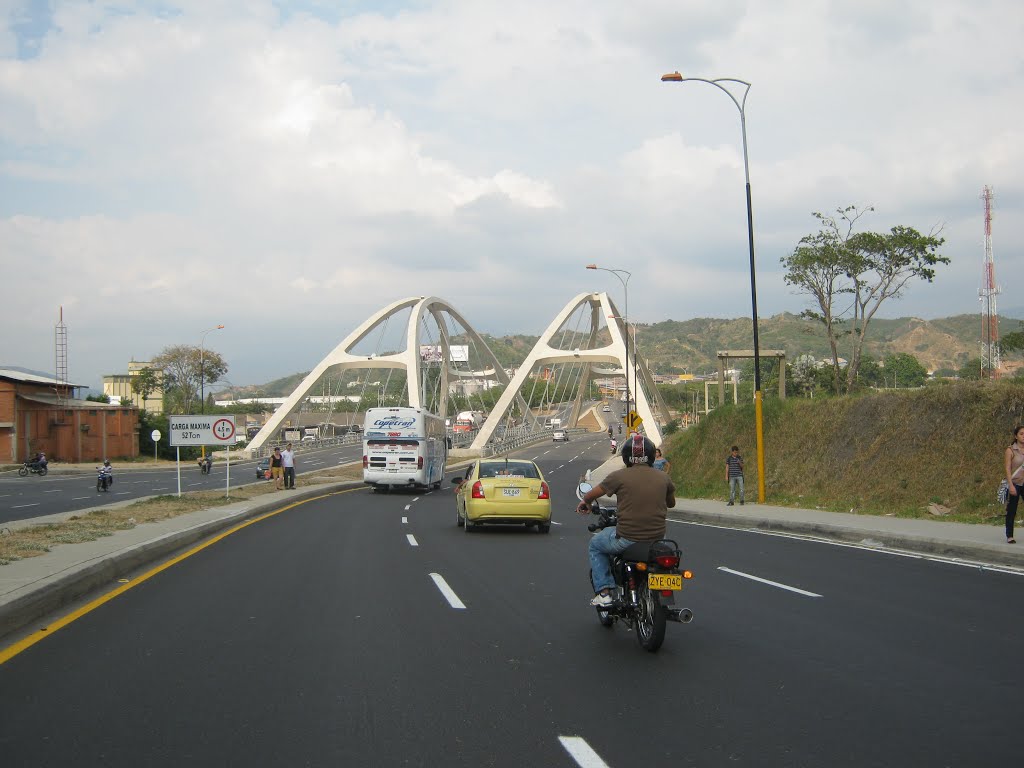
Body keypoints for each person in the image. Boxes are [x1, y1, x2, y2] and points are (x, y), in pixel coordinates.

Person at [577, 433, 676, 607]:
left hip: (627, 538)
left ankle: (605, 592)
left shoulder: (618, 477)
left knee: (595, 544)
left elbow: (592, 494)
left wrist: (586, 502)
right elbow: (671, 503)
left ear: (626, 456)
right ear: (653, 455)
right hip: (657, 539)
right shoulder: (664, 478)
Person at [1002, 425, 1024, 544]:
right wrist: (1010, 485)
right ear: (1016, 436)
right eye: (1021, 434)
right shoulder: (1010, 450)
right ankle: (1009, 535)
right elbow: (1007, 469)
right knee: (1012, 510)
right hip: (1015, 483)